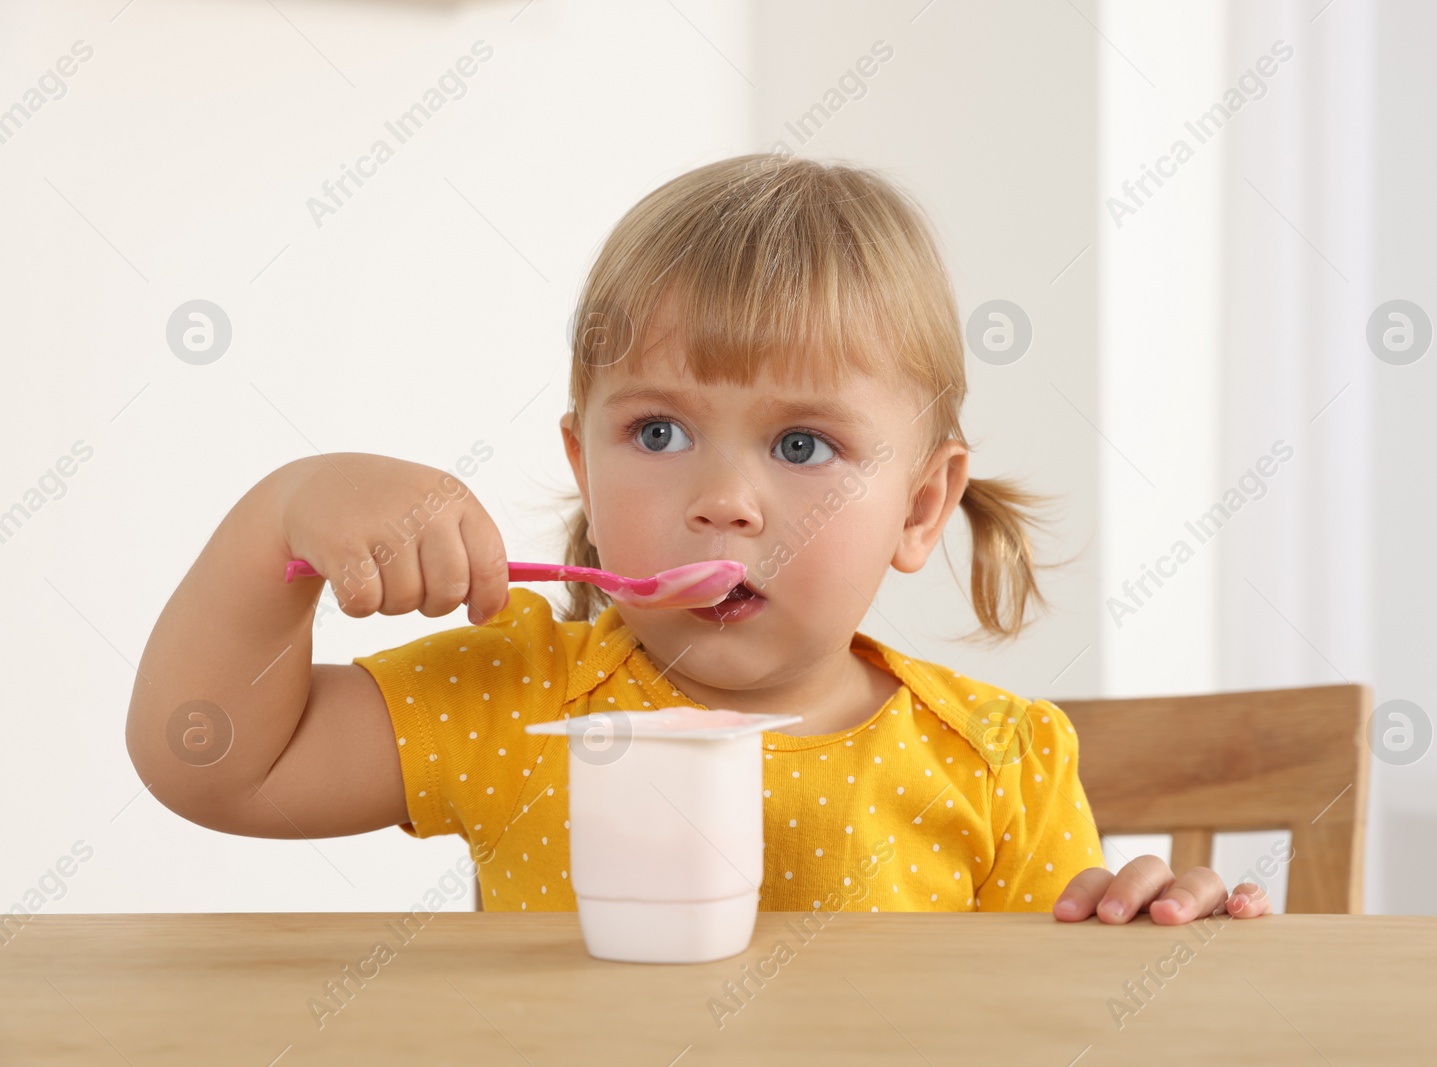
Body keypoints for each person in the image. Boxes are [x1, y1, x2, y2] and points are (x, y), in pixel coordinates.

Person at [126, 153, 1269, 924]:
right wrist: (280, 517)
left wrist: (1147, 936)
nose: (724, 498)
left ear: (921, 506)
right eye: (659, 429)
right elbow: (215, 761)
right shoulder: (517, 691)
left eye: (804, 445)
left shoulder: (1001, 762)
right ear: (583, 463)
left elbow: (1055, 1024)